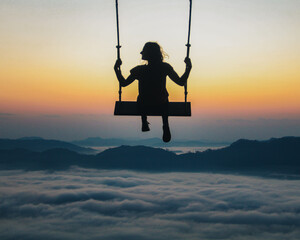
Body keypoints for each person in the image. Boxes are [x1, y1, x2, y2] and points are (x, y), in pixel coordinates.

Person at [114, 42, 192, 142]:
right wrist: (189, 68)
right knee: (163, 97)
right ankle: (165, 124)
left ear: (149, 54)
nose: (141, 53)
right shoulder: (164, 67)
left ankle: (144, 120)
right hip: (161, 104)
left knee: (142, 97)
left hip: (144, 105)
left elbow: (124, 83)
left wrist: (116, 69)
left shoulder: (139, 70)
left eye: (143, 51)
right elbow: (181, 82)